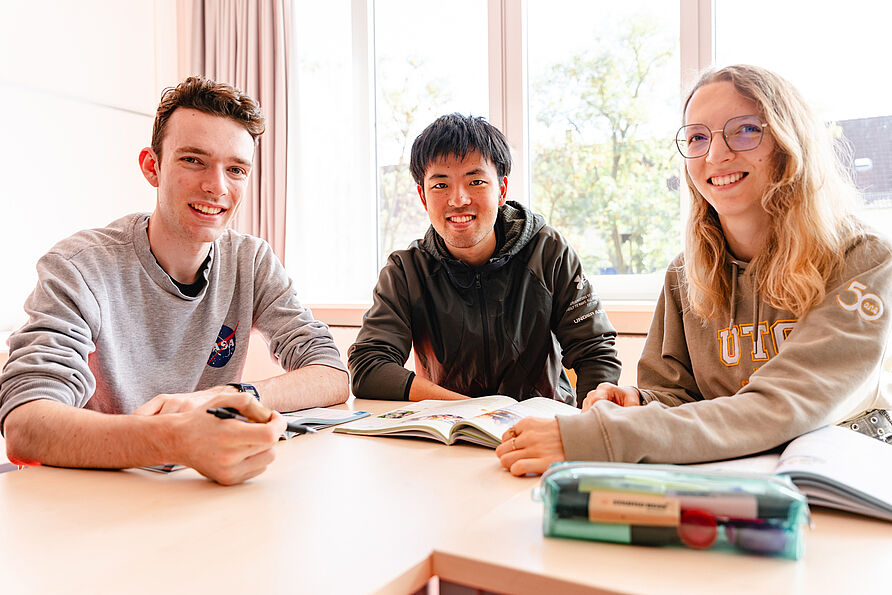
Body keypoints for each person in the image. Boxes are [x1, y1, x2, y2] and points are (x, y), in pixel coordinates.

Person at [496, 64, 892, 475]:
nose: (716, 155)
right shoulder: (686, 274)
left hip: (842, 484)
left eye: (745, 130)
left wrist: (598, 439)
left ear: (788, 143)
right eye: (698, 138)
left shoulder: (862, 259)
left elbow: (781, 406)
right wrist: (638, 401)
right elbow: (673, 393)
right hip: (729, 477)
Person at [0, 76, 349, 485]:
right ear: (153, 167)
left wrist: (231, 396)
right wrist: (177, 440)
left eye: (235, 169)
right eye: (193, 160)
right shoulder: (80, 266)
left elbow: (330, 373)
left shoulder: (251, 260)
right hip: (97, 497)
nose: (217, 187)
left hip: (199, 491)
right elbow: (25, 425)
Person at [348, 113, 621, 405]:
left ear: (502, 190)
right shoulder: (406, 271)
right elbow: (368, 366)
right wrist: (470, 410)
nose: (458, 200)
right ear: (423, 197)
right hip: (450, 433)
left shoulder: (549, 252)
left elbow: (595, 352)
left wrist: (586, 425)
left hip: (540, 431)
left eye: (476, 181)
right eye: (441, 185)